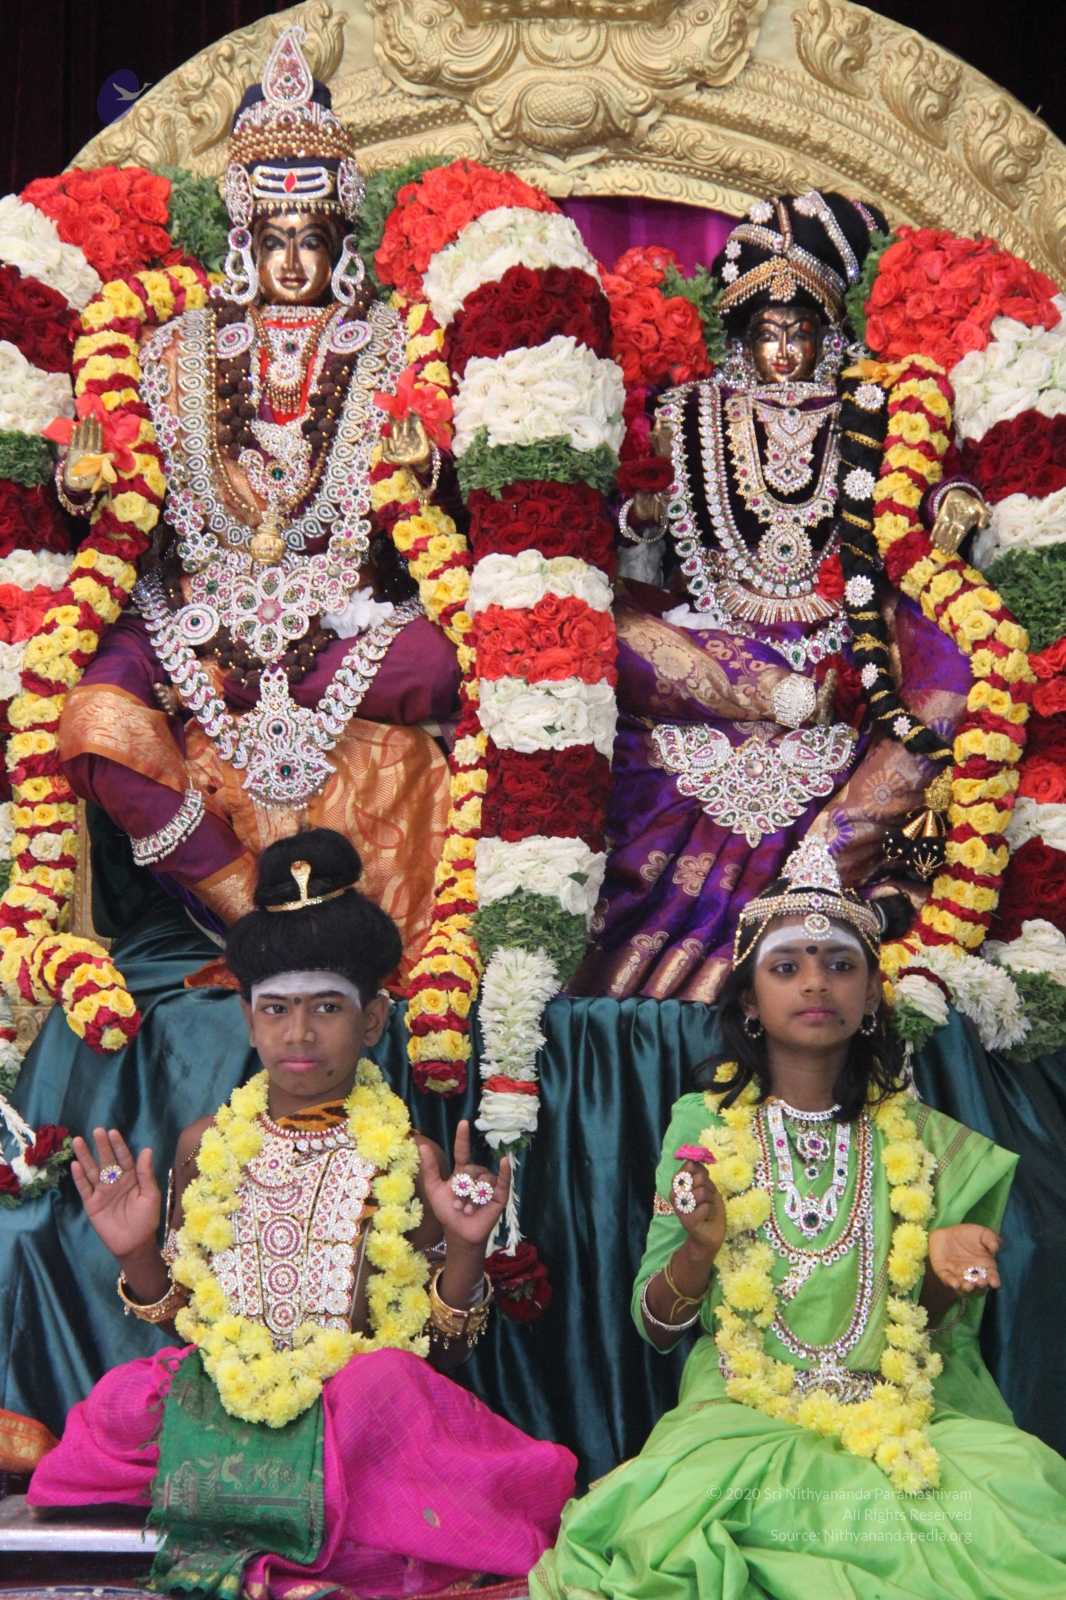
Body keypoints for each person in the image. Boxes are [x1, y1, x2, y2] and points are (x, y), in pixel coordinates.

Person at [29, 827, 576, 1598]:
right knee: (122, 1405)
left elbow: (441, 1351)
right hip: (229, 1399)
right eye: (277, 1009)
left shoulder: (408, 1156)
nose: (300, 1033)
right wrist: (135, 1256)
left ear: (373, 1020)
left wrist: (464, 1250)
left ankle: (276, 1543)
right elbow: (188, 1320)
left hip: (348, 1415)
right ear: (248, 1019)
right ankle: (296, 1540)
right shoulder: (205, 1144)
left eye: (327, 1008)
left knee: (389, 1386)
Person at [531, 835, 1066, 1598]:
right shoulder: (704, 1129)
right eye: (786, 968)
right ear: (750, 1002)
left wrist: (943, 1277)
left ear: (872, 995)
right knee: (674, 1529)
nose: (816, 983)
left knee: (1016, 1485)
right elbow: (655, 1327)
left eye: (841, 966)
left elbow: (925, 1336)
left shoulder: (925, 1142)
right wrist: (698, 1251)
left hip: (901, 1414)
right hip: (744, 1415)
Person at [54, 27, 458, 975]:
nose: (291, 262)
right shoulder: (172, 348)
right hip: (196, 615)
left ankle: (239, 695)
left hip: (341, 621)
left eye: (310, 240)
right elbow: (130, 492)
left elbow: (436, 523)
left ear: (340, 242)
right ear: (244, 240)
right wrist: (79, 488)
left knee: (458, 667)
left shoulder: (396, 344)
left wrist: (427, 468)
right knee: (94, 717)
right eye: (273, 240)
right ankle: (245, 907)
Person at [575, 190, 988, 1003]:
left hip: (842, 637)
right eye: (768, 332)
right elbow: (633, 539)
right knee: (589, 628)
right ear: (741, 338)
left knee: (940, 673)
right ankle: (770, 702)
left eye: (801, 331)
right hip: (712, 637)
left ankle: (816, 877)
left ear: (829, 334)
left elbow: (912, 500)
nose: (786, 350)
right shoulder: (686, 415)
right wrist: (641, 514)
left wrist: (952, 505)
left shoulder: (872, 412)